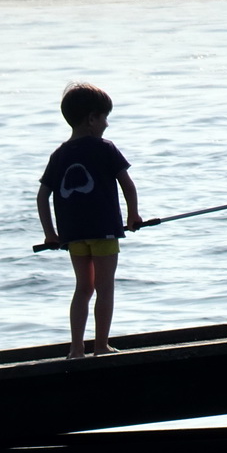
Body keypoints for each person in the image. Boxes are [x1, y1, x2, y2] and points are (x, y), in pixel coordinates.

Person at [37, 83, 142, 359]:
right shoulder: (105, 148)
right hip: (104, 231)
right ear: (92, 118)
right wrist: (133, 215)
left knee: (83, 288)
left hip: (73, 235)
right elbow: (127, 185)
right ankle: (100, 346)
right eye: (105, 117)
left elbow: (42, 196)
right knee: (105, 287)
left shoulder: (59, 154)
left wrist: (51, 234)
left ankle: (75, 349)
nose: (107, 124)